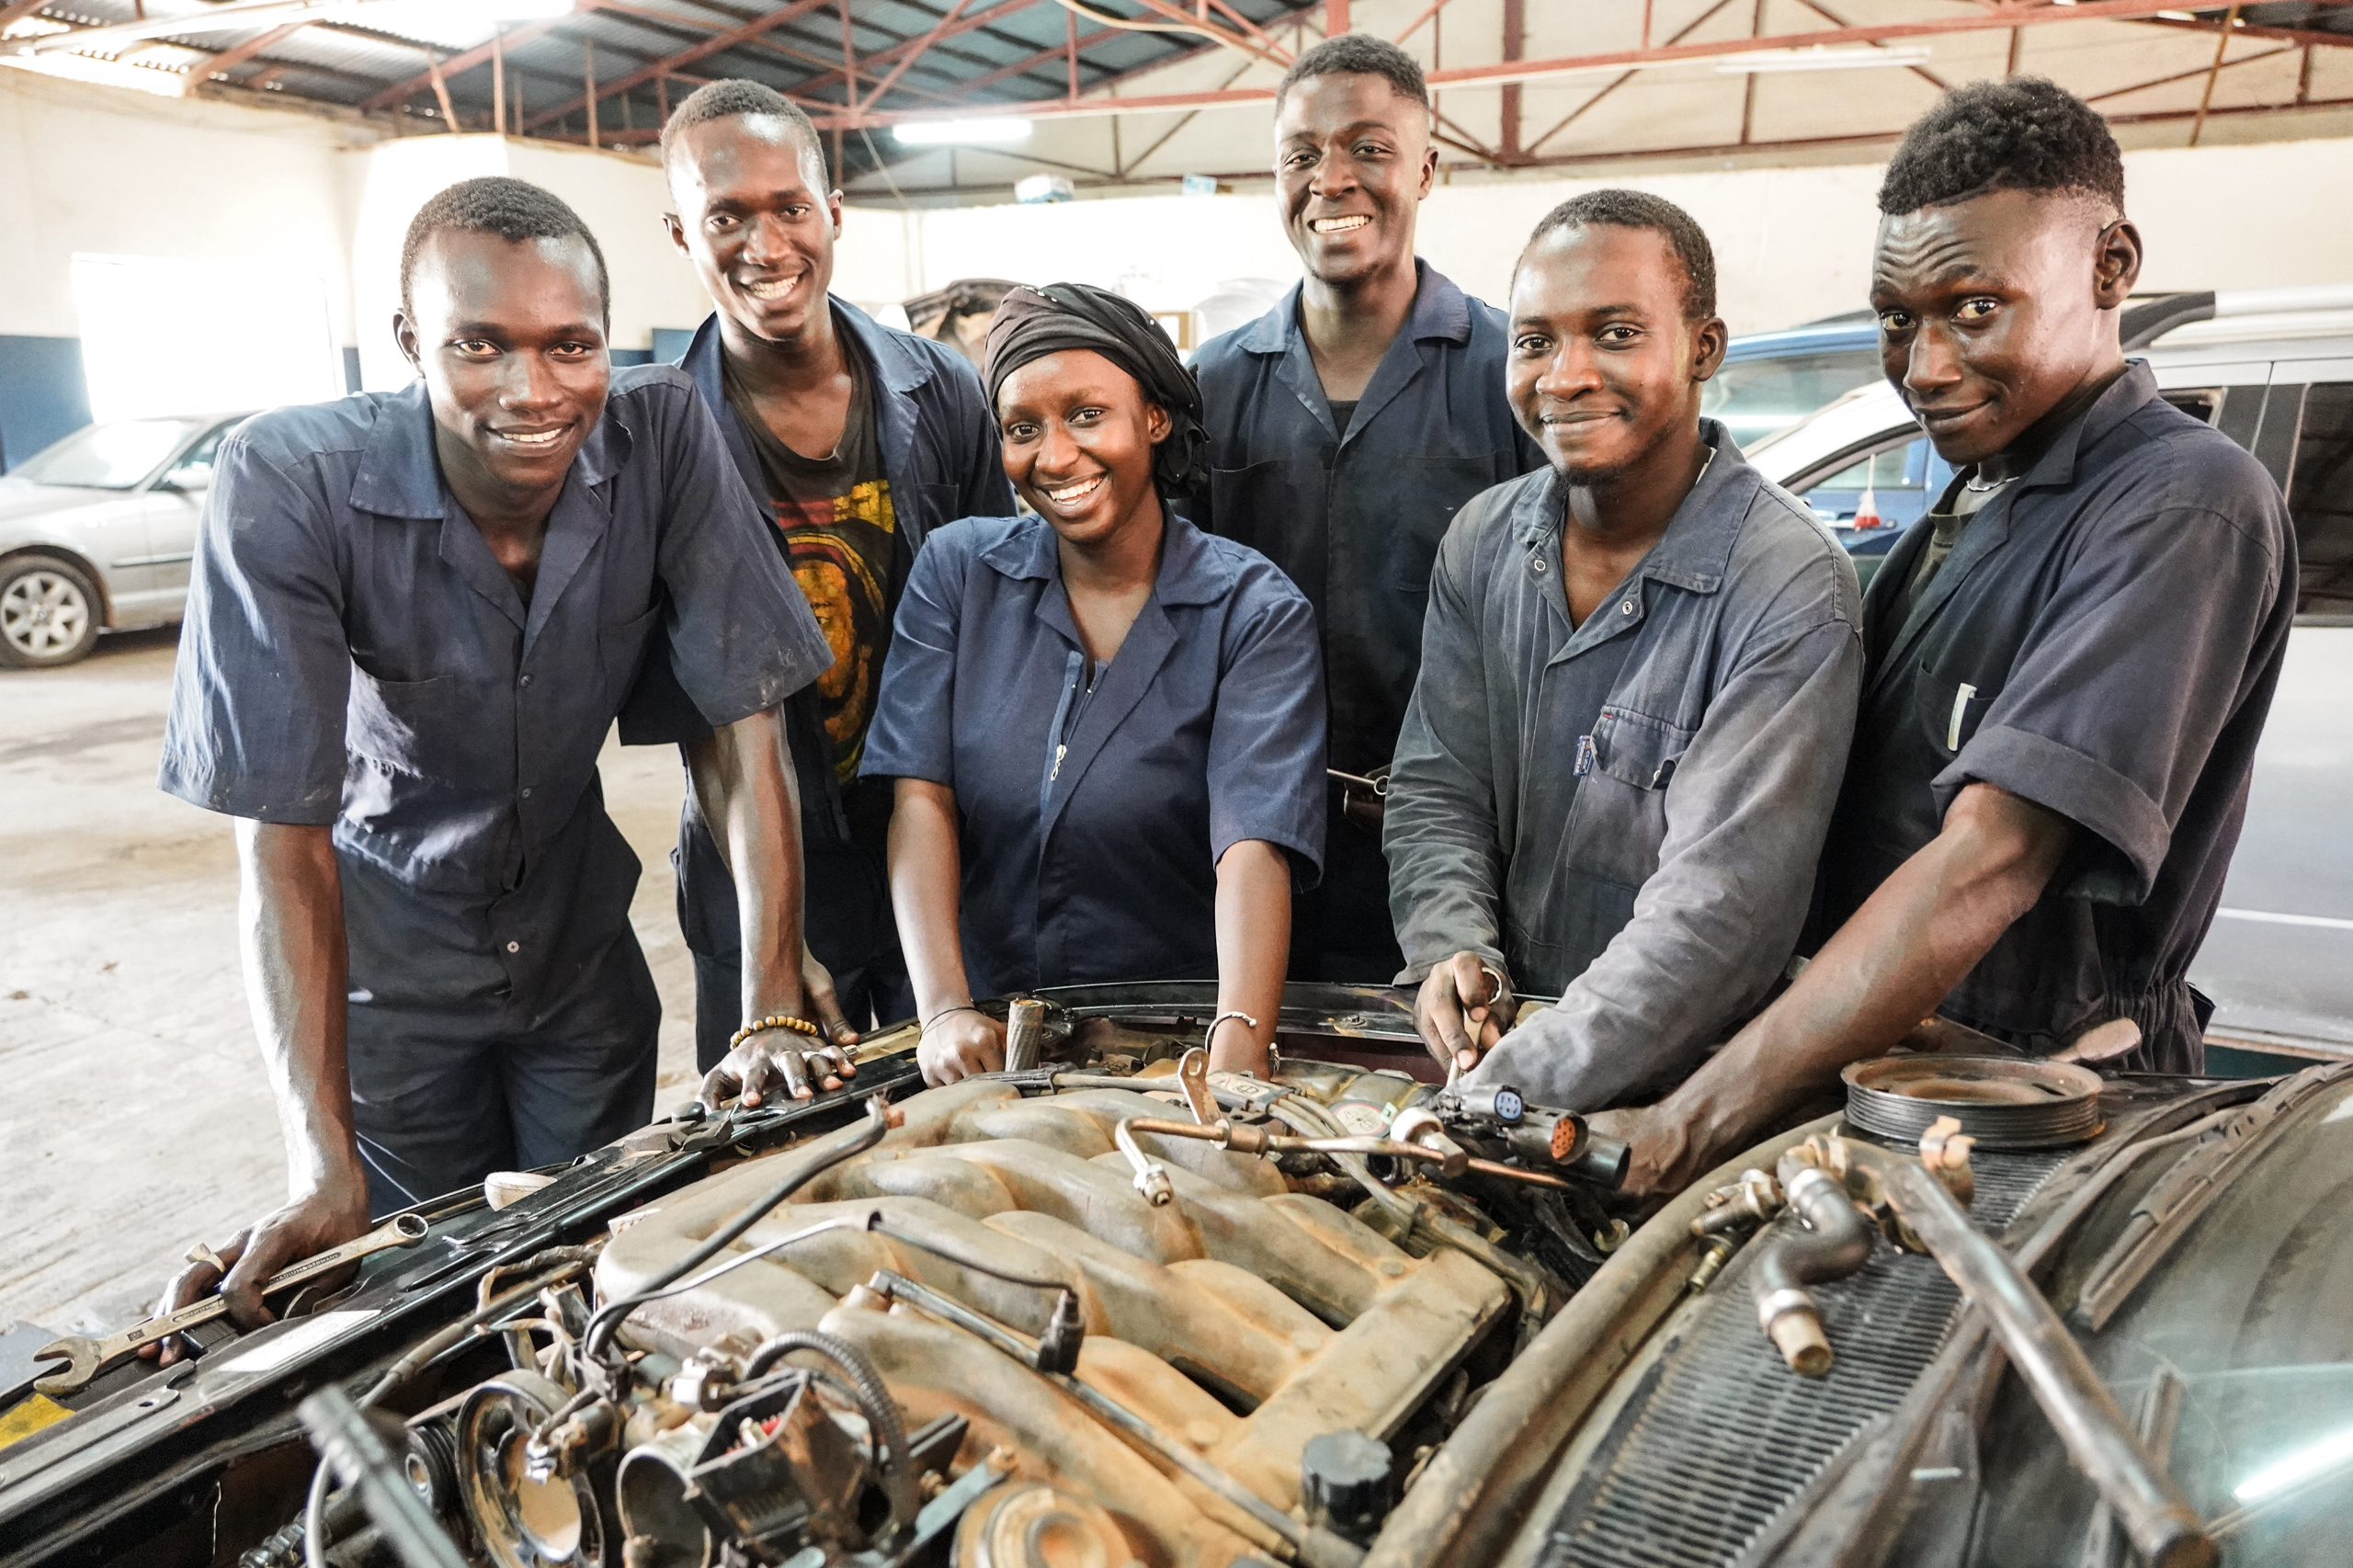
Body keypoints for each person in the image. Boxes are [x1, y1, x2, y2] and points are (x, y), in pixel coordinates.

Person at [152, 177, 847, 1335]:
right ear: (409, 340)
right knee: (433, 1307)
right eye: (480, 345)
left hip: (581, 965)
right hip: (392, 982)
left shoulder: (663, 434)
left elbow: (741, 723)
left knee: (603, 1281)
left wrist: (772, 996)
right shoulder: (291, 481)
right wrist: (320, 1160)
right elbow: (282, 840)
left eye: (571, 345)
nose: (533, 390)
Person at [1590, 79, 2297, 1195]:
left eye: (1974, 308)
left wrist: (1691, 1119)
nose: (1922, 366)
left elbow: (1988, 858)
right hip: (1894, 1071)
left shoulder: (2183, 503)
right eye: (1895, 318)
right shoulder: (1969, 504)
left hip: (2037, 1100)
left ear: (2110, 265)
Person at [1388, 192, 1863, 1111]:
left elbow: (1720, 913)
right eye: (1534, 341)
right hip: (1493, 1062)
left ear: (1703, 349)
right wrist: (1454, 950)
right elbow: (1439, 786)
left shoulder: (1789, 584)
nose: (1565, 376)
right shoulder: (1482, 542)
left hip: (1685, 1099)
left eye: (1614, 334)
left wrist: (1507, 1087)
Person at [626, 80, 1015, 1071]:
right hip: (753, 867)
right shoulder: (655, 436)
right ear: (679, 233)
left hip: (935, 843)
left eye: (790, 208)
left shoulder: (943, 390)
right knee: (782, 1128)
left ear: (833, 212)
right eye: (726, 217)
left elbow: (995, 632)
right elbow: (702, 713)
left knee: (962, 1117)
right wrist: (774, 943)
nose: (765, 246)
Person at [862, 284, 1326, 1085]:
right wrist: (942, 1010)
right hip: (977, 1029)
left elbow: (1252, 845)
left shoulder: (1252, 611)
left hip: (1168, 1036)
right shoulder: (958, 575)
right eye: (1023, 429)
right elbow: (920, 798)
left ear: (1154, 417)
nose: (1054, 457)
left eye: (1086, 415)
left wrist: (1236, 1051)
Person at [1190, 32, 1542, 985]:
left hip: (1473, 851)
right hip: (1256, 848)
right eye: (1301, 154)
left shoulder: (1510, 375)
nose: (1331, 178)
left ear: (1426, 169)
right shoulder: (1210, 388)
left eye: (1369, 148)